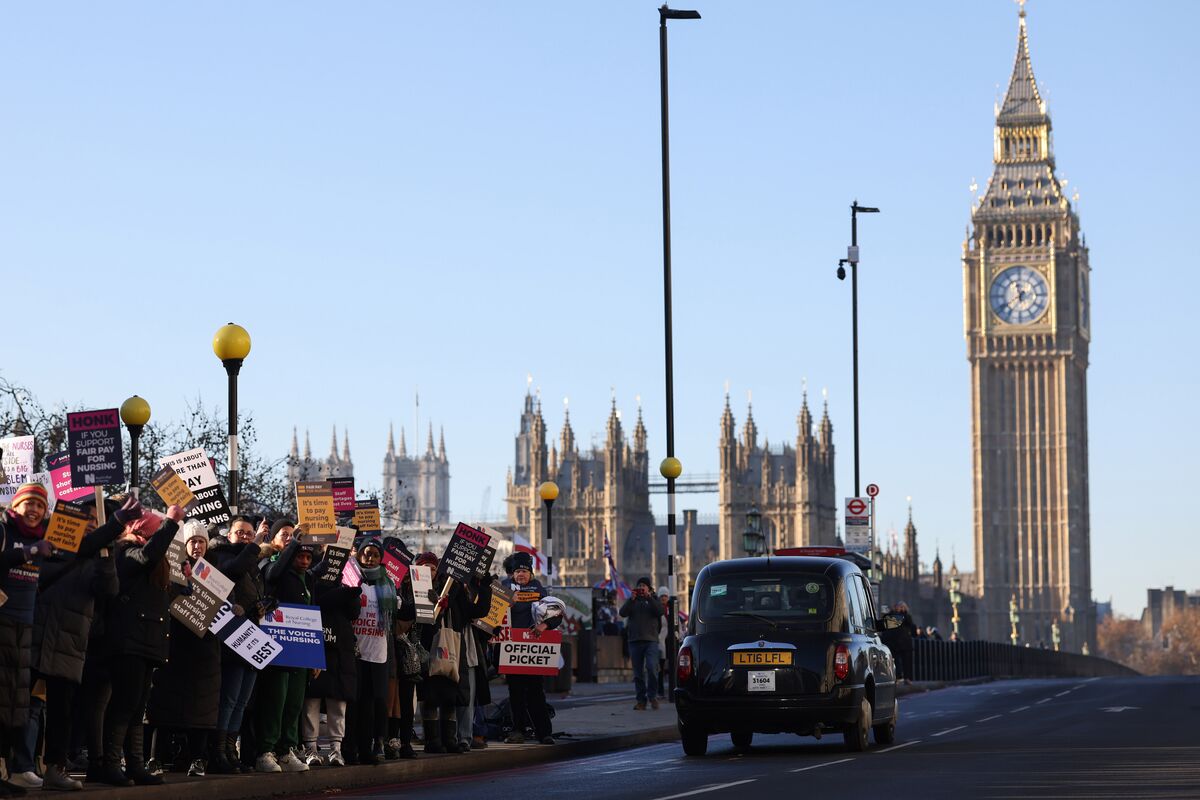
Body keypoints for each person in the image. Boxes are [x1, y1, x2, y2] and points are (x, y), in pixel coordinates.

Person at [31, 494, 133, 791]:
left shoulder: (104, 556)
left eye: (97, 521)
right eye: (87, 518)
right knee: (20, 703)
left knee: (62, 710)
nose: (91, 525)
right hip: (37, 634)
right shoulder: (55, 544)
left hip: (70, 641)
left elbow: (108, 589)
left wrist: (104, 554)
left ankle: (55, 768)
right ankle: (15, 764)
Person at [99, 503, 185, 787]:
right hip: (129, 642)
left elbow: (159, 596)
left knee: (137, 707)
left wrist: (186, 582)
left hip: (147, 641)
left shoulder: (152, 560)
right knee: (124, 704)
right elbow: (147, 557)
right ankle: (111, 764)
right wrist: (170, 523)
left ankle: (135, 764)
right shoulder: (124, 552)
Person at [204, 517, 272, 774]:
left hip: (252, 637)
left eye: (249, 533)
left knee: (242, 700)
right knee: (230, 698)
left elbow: (252, 594)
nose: (245, 537)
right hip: (232, 639)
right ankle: (218, 751)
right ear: (229, 534)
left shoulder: (253, 564)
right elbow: (233, 570)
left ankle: (231, 751)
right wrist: (254, 544)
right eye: (240, 533)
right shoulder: (221, 555)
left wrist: (262, 604)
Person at [0, 483, 54, 795]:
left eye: (39, 506)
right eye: (28, 504)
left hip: (25, 630)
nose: (33, 511)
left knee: (13, 707)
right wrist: (29, 552)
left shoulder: (44, 540)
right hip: (3, 625)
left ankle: (7, 773)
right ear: (16, 506)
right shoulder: (5, 531)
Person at [255, 535, 317, 773]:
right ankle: (266, 750)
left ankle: (286, 750)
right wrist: (293, 545)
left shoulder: (309, 579)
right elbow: (272, 574)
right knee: (276, 700)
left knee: (293, 703)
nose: (303, 561)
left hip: (302, 648)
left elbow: (314, 613)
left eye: (307, 557)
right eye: (299, 556)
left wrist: (315, 657)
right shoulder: (275, 567)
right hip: (279, 647)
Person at [498, 551, 557, 744]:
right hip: (511, 648)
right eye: (517, 572)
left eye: (524, 571)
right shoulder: (504, 588)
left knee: (535, 692)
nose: (520, 574)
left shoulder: (539, 590)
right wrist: (507, 603)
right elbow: (491, 614)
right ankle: (518, 730)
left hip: (533, 648)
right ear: (512, 574)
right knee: (515, 692)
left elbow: (555, 614)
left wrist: (544, 625)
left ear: (530, 573)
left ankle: (544, 732)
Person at [346, 539, 396, 765]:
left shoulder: (388, 584)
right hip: (355, 651)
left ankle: (367, 750)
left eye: (375, 555)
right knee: (352, 704)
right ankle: (350, 750)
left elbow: (400, 611)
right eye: (366, 554)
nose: (370, 558)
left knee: (370, 704)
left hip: (378, 653)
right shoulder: (350, 580)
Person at [302, 582, 361, 767]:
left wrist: (352, 589)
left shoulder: (347, 579)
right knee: (311, 701)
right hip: (316, 641)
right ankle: (311, 749)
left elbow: (354, 613)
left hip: (341, 650)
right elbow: (318, 601)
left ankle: (336, 749)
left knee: (338, 703)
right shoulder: (314, 577)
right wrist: (344, 592)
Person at [620, 577, 666, 710]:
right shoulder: (632, 601)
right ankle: (641, 700)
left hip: (651, 640)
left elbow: (660, 611)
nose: (641, 588)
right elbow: (622, 613)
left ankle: (652, 696)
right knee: (638, 673)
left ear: (649, 588)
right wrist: (631, 600)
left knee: (652, 668)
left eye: (643, 586)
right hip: (634, 641)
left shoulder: (654, 599)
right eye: (639, 585)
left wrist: (649, 598)